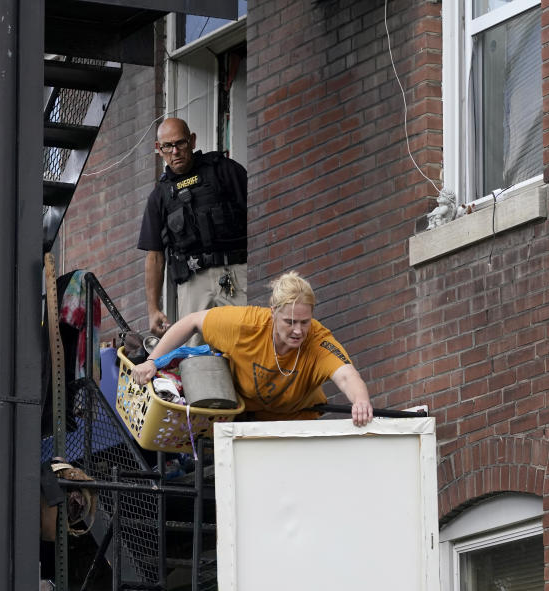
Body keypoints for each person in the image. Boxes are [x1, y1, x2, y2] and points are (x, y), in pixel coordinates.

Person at [131, 271, 374, 427]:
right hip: (247, 420)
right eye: (290, 322)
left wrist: (361, 401)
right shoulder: (245, 325)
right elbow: (191, 321)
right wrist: (152, 362)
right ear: (273, 312)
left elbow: (346, 375)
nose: (298, 330)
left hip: (299, 421)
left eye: (304, 322)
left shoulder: (318, 339)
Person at [137, 117, 248, 338]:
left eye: (181, 143)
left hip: (235, 272)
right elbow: (155, 257)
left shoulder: (223, 170)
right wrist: (153, 310)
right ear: (159, 149)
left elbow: (258, 214)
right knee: (196, 354)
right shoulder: (159, 196)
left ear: (193, 141)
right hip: (193, 282)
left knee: (249, 341)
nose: (175, 151)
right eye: (168, 146)